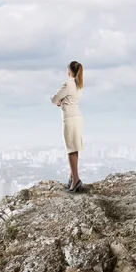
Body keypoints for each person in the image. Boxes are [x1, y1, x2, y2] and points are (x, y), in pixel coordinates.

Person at [50, 61, 84, 192]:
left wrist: (58, 101)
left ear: (69, 71)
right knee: (75, 148)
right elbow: (70, 99)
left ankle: (75, 180)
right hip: (78, 118)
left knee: (70, 149)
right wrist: (63, 101)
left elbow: (54, 99)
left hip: (69, 118)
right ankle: (72, 176)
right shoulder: (78, 84)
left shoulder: (68, 83)